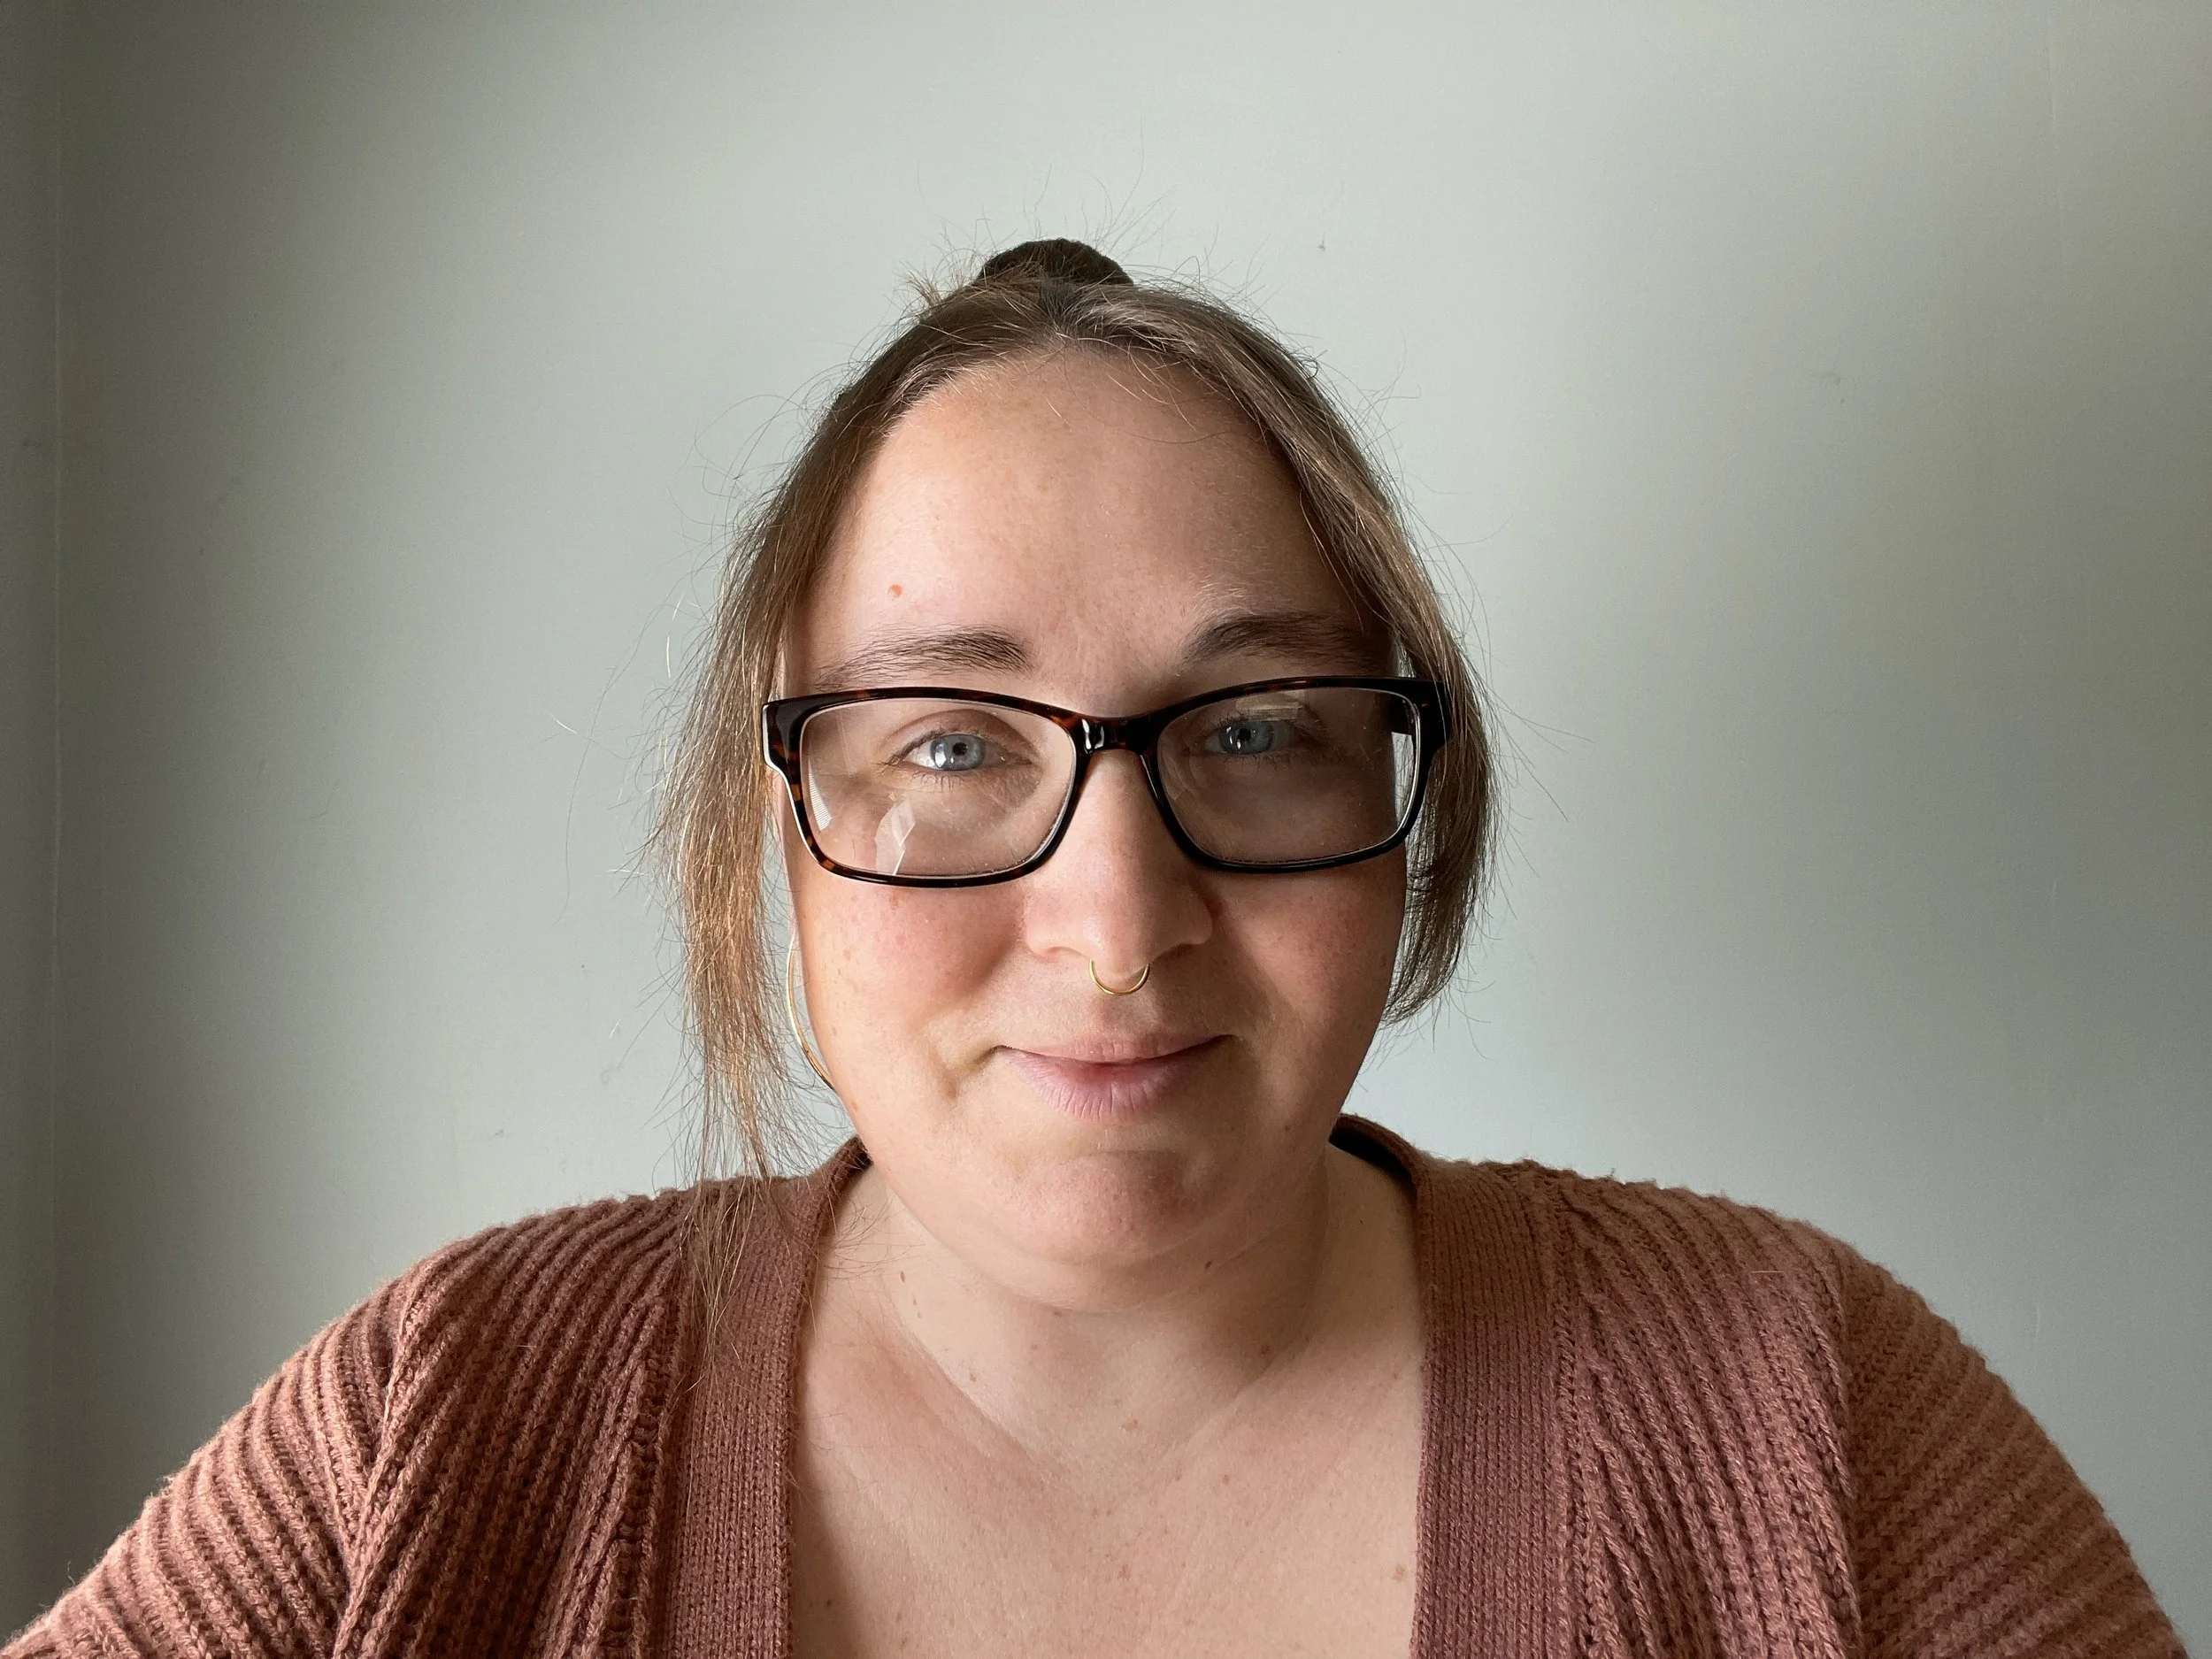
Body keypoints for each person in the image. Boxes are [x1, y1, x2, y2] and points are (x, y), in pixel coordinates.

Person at [6, 241, 2182, 1659]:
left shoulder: (1801, 1410)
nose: (1118, 925)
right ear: (786, 829)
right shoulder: (445, 1421)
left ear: (1400, 808)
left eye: (1252, 731)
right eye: (952, 738)